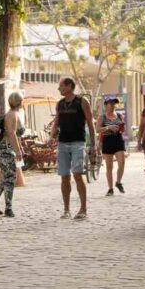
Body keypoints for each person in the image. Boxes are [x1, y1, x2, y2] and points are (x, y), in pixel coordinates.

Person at [50, 77, 95, 219]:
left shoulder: (82, 101)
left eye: (61, 86)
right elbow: (56, 122)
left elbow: (90, 123)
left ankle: (83, 210)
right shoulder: (60, 104)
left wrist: (93, 145)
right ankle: (66, 210)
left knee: (77, 174)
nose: (59, 89)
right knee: (64, 177)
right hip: (62, 144)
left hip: (78, 143)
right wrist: (52, 136)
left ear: (69, 86)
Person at [0, 92, 26, 217]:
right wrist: (18, 150)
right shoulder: (12, 115)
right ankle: (8, 208)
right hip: (5, 149)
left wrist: (19, 148)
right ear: (20, 102)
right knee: (10, 178)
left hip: (7, 149)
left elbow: (16, 135)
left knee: (7, 177)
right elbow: (11, 133)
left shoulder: (13, 114)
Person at [97, 96, 126, 196]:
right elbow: (97, 129)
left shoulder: (119, 115)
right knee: (109, 167)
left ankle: (118, 182)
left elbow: (123, 127)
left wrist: (121, 128)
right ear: (106, 105)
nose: (112, 106)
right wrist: (109, 127)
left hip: (118, 139)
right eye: (110, 104)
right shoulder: (102, 117)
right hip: (107, 140)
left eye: (114, 104)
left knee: (122, 163)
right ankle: (110, 188)